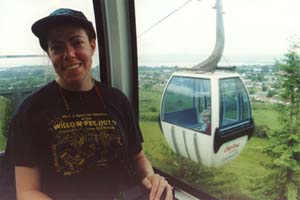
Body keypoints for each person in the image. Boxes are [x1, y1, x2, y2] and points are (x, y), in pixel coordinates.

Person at [5, 8, 173, 200]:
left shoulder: (117, 100)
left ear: (92, 45)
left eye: (77, 43)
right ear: (49, 54)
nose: (69, 54)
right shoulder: (30, 110)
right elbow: (27, 191)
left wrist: (151, 179)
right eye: (57, 47)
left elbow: (138, 157)